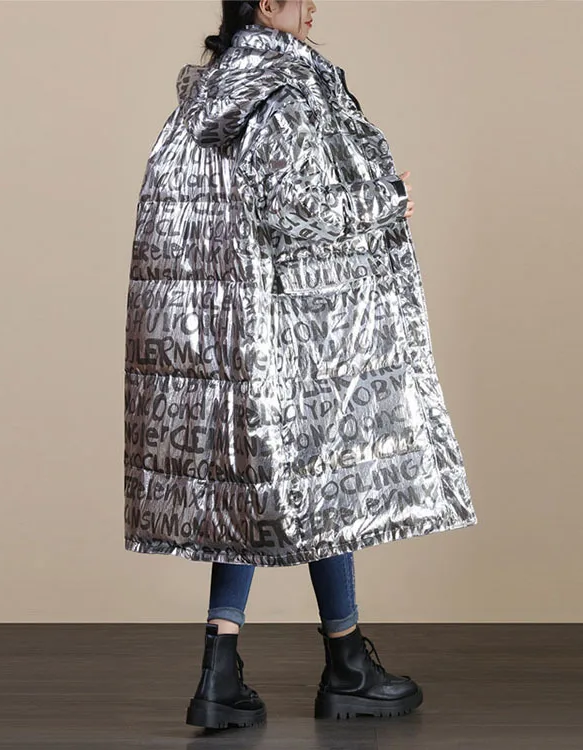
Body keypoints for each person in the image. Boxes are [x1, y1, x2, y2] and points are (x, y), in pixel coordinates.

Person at [124, 0, 478, 730]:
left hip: (217, 323)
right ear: (265, 4)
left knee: (253, 488)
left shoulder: (210, 93)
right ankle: (344, 667)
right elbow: (293, 207)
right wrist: (385, 201)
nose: (314, 6)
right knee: (321, 472)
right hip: (294, 316)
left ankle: (224, 673)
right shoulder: (282, 89)